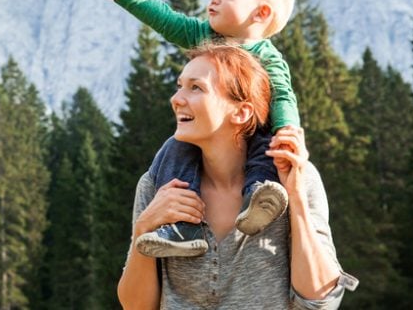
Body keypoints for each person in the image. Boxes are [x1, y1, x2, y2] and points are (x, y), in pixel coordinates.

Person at [117, 44, 358, 309]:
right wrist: (144, 228)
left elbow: (320, 301)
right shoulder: (157, 185)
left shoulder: (294, 178)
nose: (176, 98)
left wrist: (296, 198)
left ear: (241, 113)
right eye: (180, 85)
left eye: (196, 87)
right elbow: (136, 307)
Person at [85, 0, 298, 256]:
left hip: (251, 132)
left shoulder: (268, 58)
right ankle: (183, 227)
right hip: (204, 135)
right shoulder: (204, 36)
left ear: (261, 13)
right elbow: (164, 18)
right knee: (175, 151)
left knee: (265, 151)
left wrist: (287, 129)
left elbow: (283, 97)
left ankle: (257, 200)